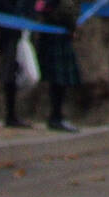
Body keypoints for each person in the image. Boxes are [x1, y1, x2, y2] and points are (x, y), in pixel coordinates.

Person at [32, 0, 82, 131]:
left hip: (51, 33)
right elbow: (66, 9)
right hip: (57, 34)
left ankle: (56, 116)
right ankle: (56, 117)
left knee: (58, 81)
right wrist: (72, 27)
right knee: (59, 81)